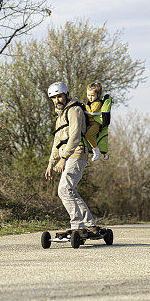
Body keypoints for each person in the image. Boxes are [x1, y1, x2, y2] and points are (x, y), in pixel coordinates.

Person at [44, 81, 97, 231]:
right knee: (71, 190)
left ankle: (77, 225)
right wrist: (50, 163)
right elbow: (57, 141)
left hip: (77, 153)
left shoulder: (74, 110)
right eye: (53, 98)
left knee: (64, 189)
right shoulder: (60, 116)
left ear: (66, 95)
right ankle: (89, 224)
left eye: (59, 96)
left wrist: (63, 159)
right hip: (67, 155)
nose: (56, 100)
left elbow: (74, 137)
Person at [84, 82, 106, 161]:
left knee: (88, 135)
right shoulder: (91, 103)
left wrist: (84, 106)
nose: (90, 97)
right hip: (90, 124)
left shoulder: (97, 103)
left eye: (92, 95)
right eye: (88, 95)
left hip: (96, 124)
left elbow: (91, 113)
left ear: (98, 95)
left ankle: (96, 151)